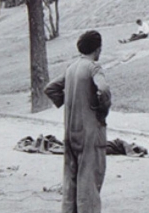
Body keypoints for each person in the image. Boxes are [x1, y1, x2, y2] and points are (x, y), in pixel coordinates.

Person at [44, 30, 112, 213]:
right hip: (90, 132)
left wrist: (68, 100)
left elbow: (50, 89)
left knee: (70, 179)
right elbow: (104, 89)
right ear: (97, 50)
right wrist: (102, 110)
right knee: (89, 180)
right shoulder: (93, 67)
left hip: (70, 131)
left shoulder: (71, 68)